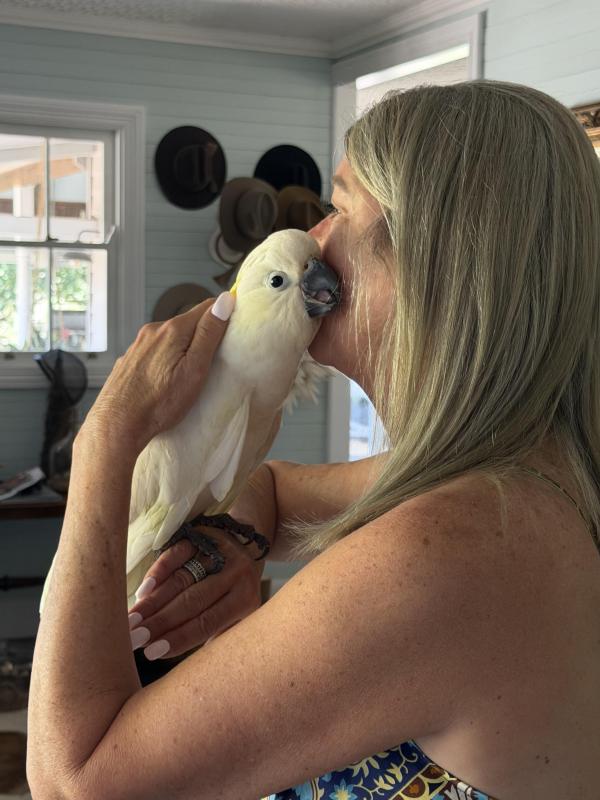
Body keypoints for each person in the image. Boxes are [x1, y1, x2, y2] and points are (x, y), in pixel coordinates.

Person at [27, 80, 600, 800]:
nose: (318, 238)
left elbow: (72, 779)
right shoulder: (522, 470)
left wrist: (102, 447)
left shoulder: (450, 550)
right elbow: (267, 488)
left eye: (341, 205)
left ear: (438, 265)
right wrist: (232, 545)